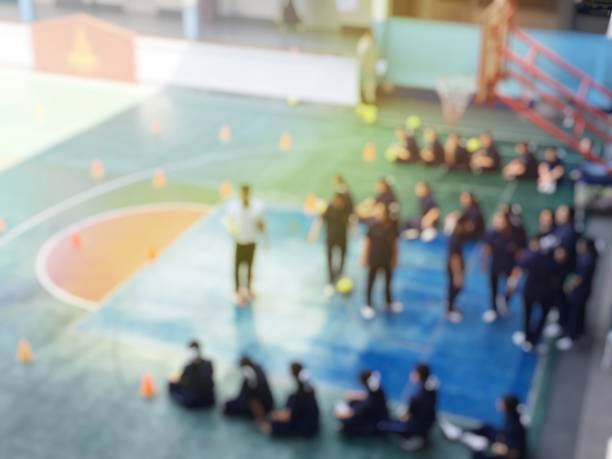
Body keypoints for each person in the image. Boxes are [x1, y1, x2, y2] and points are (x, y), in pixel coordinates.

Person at [440, 394, 527, 459]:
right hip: (504, 438)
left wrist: (499, 449)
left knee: (477, 454)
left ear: (507, 407)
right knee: (486, 428)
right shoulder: (513, 414)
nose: (499, 403)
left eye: (502, 402)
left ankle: (460, 436)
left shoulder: (513, 427)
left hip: (508, 451)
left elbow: (515, 453)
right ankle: (460, 433)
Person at [507, 237, 555, 352]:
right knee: (541, 316)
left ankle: (528, 336)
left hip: (532, 291)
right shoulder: (553, 261)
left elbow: (519, 268)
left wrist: (512, 284)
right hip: (545, 293)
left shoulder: (533, 257)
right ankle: (534, 338)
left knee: (529, 314)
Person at [378, 363, 438, 451]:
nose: (411, 374)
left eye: (413, 373)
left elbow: (407, 417)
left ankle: (415, 438)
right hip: (428, 422)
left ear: (418, 375)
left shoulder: (416, 398)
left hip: (415, 427)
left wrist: (403, 415)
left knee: (382, 426)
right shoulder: (432, 390)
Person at [224, 185, 266, 305]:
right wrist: (232, 230)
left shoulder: (256, 208)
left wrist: (262, 227)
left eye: (246, 193)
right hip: (240, 242)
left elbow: (259, 224)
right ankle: (237, 291)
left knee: (249, 267)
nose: (244, 195)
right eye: (243, 193)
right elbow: (230, 222)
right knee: (237, 268)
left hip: (251, 241)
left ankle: (248, 289)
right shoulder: (234, 208)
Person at [361, 203, 402, 320]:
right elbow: (367, 243)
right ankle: (368, 304)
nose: (379, 214)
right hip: (374, 258)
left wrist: (395, 258)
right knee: (370, 282)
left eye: (381, 212)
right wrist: (364, 258)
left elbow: (395, 243)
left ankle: (388, 302)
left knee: (388, 281)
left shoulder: (392, 226)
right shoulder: (372, 226)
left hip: (387, 258)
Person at [557, 238, 598, 350]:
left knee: (574, 314)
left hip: (580, 292)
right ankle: (580, 329)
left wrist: (569, 286)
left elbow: (579, 278)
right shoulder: (590, 257)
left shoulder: (586, 260)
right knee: (580, 311)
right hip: (585, 291)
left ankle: (571, 336)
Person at [261, 362, 320, 438]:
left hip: (306, 428)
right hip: (313, 424)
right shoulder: (309, 389)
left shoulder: (298, 395)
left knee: (273, 423)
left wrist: (274, 415)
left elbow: (289, 416)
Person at [309, 192, 352, 295]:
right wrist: (314, 233)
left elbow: (350, 221)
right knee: (329, 260)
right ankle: (330, 282)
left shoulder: (346, 209)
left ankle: (340, 276)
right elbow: (320, 220)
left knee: (342, 259)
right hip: (330, 238)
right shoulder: (329, 208)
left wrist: (352, 231)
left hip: (342, 238)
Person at [482, 212, 516, 323]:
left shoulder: (513, 234)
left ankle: (504, 300)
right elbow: (487, 249)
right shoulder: (491, 233)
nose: (498, 223)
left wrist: (517, 270)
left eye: (501, 221)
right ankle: (493, 308)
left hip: (509, 265)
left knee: (511, 287)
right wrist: (485, 263)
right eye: (496, 220)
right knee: (493, 287)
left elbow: (518, 252)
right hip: (495, 264)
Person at [335, 370, 390, 436]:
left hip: (375, 422)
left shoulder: (370, 401)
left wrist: (340, 413)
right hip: (378, 413)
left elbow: (349, 414)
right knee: (352, 403)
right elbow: (367, 396)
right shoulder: (377, 392)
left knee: (348, 421)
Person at [223, 356, 275, 424]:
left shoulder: (249, 371)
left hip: (259, 404)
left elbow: (252, 392)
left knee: (228, 406)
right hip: (268, 402)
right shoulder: (258, 367)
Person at [168, 340, 215, 409]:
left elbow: (183, 381)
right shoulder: (209, 363)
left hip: (194, 401)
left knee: (172, 385)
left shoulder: (189, 367)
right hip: (210, 400)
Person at [447, 216, 468, 323]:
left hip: (455, 268)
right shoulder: (455, 239)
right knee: (454, 287)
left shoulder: (457, 235)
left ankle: (451, 306)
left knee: (455, 287)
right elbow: (454, 259)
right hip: (454, 269)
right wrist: (457, 275)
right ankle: (450, 310)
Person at [357, 29, 378, 104]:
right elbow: (363, 55)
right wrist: (366, 65)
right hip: (367, 67)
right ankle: (368, 100)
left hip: (369, 67)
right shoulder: (366, 43)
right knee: (368, 85)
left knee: (369, 84)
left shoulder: (369, 42)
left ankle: (369, 100)